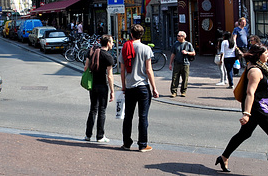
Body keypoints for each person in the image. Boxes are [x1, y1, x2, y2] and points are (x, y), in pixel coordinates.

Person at [215, 44, 268, 175]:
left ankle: (223, 157)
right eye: (266, 53)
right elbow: (250, 93)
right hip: (258, 108)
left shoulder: (257, 67)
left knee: (244, 134)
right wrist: (246, 114)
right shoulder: (255, 71)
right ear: (259, 55)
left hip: (256, 107)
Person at [119, 24, 159, 152]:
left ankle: (126, 143)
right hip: (143, 87)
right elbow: (149, 70)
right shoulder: (146, 49)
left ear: (131, 34)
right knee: (143, 116)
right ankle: (142, 144)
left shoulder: (125, 48)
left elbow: (123, 69)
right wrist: (154, 88)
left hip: (130, 86)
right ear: (142, 35)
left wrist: (124, 86)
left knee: (128, 116)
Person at [84, 35, 115, 143]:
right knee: (102, 110)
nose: (113, 44)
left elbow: (85, 67)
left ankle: (88, 135)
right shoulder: (108, 57)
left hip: (92, 84)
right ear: (107, 43)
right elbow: (110, 75)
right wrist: (112, 91)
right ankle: (100, 136)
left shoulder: (92, 52)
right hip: (102, 85)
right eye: (112, 42)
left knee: (93, 109)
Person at [168, 31, 195, 97]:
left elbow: (193, 53)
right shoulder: (175, 44)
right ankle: (174, 92)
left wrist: (187, 53)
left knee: (185, 78)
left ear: (183, 37)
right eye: (177, 36)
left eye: (179, 36)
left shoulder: (188, 44)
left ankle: (183, 91)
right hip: (177, 63)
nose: (177, 37)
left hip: (185, 64)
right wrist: (170, 64)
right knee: (175, 78)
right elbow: (173, 54)